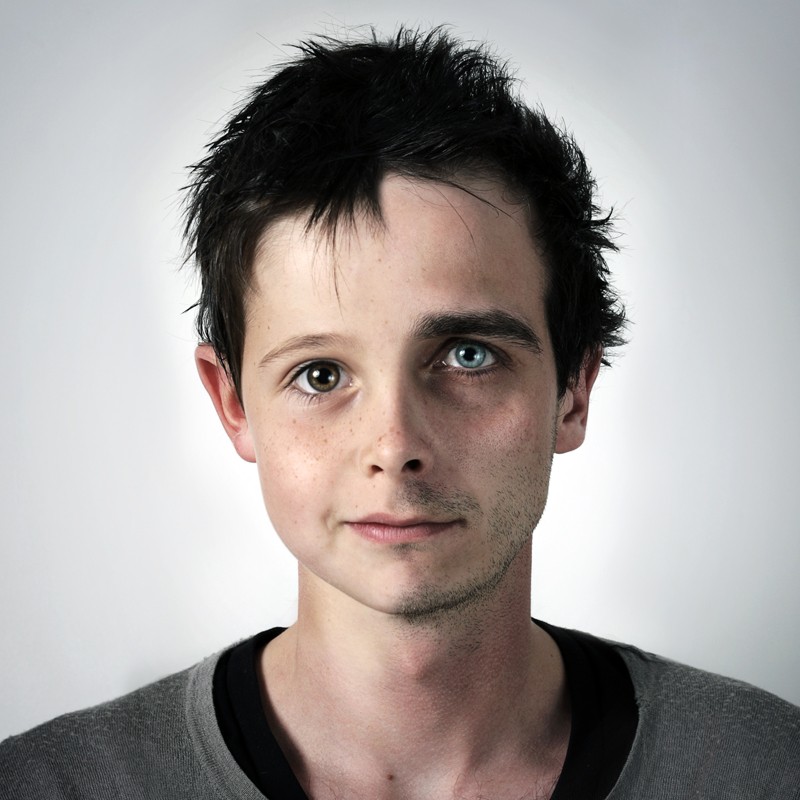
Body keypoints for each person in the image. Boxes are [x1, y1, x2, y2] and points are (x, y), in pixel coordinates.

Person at [1, 27, 798, 800]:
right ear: (232, 403)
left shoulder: (767, 774)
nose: (396, 445)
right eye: (320, 374)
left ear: (573, 390)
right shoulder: (48, 786)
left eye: (467, 356)